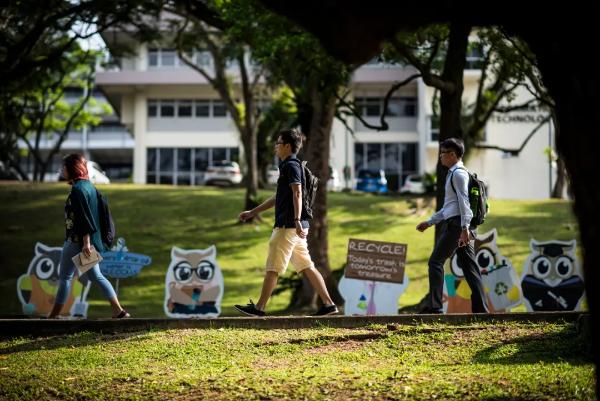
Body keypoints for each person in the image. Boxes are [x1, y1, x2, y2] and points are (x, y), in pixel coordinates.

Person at [235, 129, 339, 316]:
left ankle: (259, 308)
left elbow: (297, 192)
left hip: (288, 226)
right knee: (307, 265)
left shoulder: (291, 165)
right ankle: (329, 304)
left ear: (287, 146)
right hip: (296, 227)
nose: (275, 147)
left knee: (273, 267)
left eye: (278, 143)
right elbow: (279, 196)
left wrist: (297, 219)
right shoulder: (291, 166)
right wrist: (253, 212)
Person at [47, 154, 129, 319]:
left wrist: (86, 242)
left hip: (76, 242)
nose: (62, 170)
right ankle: (119, 311)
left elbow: (85, 217)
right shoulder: (89, 187)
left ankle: (53, 317)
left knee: (64, 277)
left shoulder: (78, 190)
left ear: (72, 169)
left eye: (64, 167)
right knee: (96, 276)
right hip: (84, 242)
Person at [416, 138, 489, 314]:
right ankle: (481, 310)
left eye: (443, 153)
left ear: (453, 155)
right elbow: (449, 206)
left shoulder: (458, 174)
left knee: (435, 262)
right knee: (470, 268)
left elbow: (463, 202)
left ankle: (435, 307)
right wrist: (430, 222)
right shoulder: (454, 173)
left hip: (458, 226)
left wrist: (464, 229)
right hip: (460, 225)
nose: (440, 157)